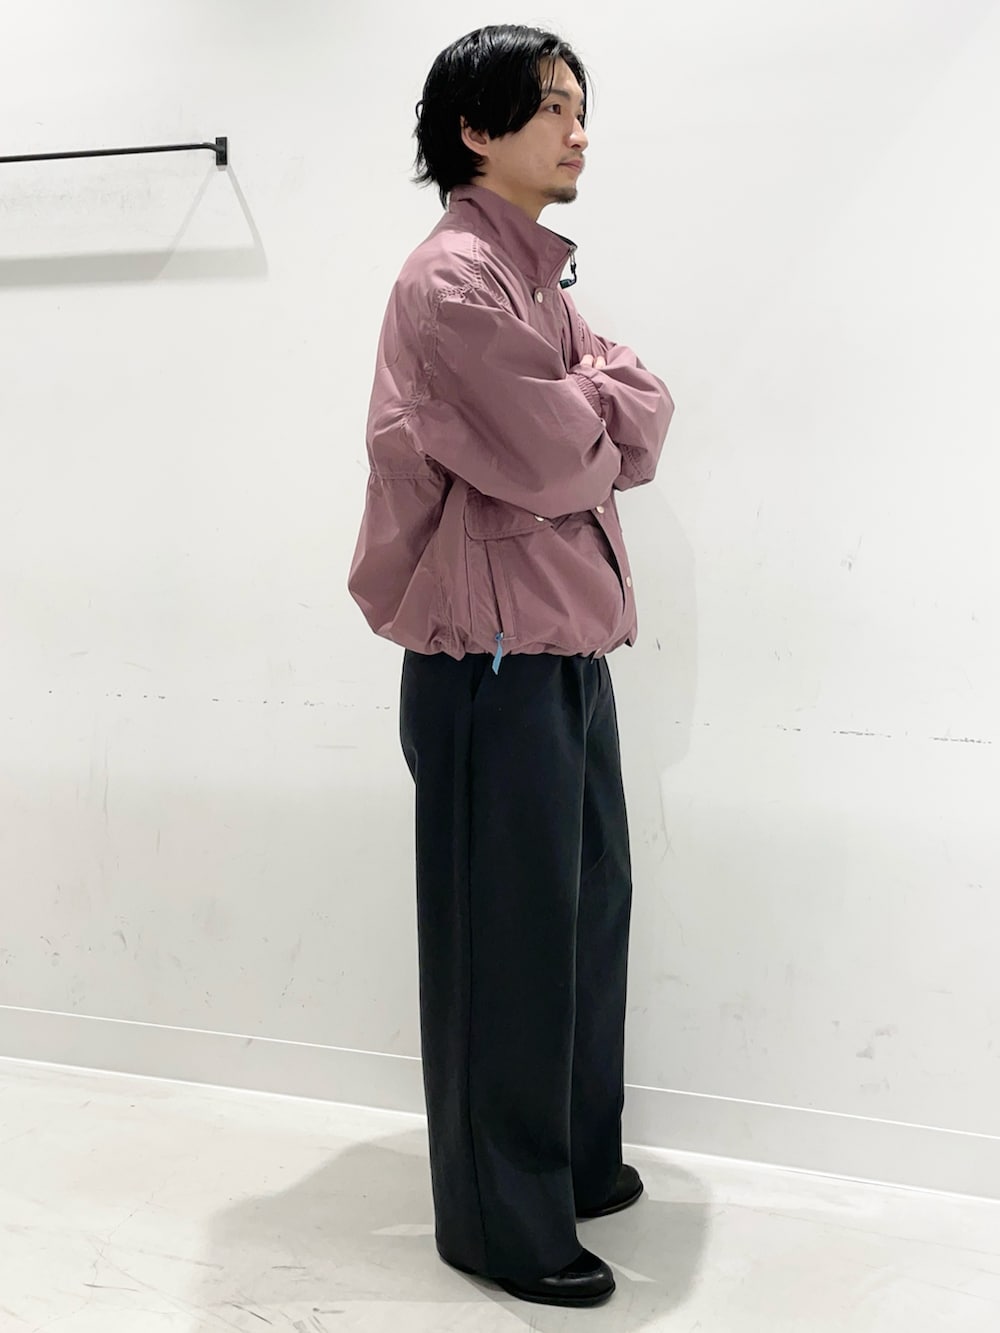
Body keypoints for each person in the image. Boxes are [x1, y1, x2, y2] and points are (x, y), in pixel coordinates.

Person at [348, 23, 674, 1310]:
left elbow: (640, 406)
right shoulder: (455, 286)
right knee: (510, 942)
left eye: (581, 106)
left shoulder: (533, 279)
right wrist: (593, 399)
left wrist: (591, 391)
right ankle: (499, 1219)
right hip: (487, 662)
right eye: (550, 108)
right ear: (474, 130)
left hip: (561, 643)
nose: (578, 131)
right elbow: (560, 454)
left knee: (584, 915)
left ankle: (571, 1161)